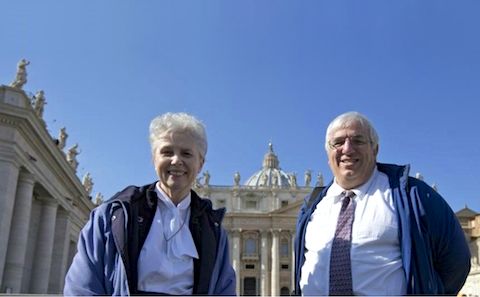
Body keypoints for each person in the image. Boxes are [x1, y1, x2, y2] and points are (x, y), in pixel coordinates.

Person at [294, 111, 470, 295]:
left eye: (358, 140)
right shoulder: (312, 205)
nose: (347, 149)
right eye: (338, 142)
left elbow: (456, 261)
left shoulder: (413, 195)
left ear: (375, 149)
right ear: (328, 151)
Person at [64, 112, 236, 296]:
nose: (176, 160)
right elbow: (82, 287)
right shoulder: (113, 214)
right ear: (154, 158)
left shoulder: (213, 227)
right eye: (167, 152)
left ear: (200, 164)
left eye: (186, 153)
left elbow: (224, 290)